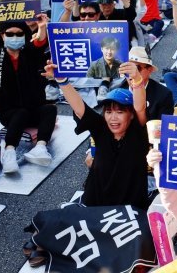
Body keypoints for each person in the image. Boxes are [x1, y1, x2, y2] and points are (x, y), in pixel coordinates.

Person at [45, 60, 149, 209]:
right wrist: (62, 80)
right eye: (108, 112)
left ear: (131, 115)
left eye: (120, 112)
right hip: (95, 205)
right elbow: (80, 107)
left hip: (131, 211)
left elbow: (140, 107)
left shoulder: (138, 132)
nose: (113, 118)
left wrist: (137, 80)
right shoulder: (101, 128)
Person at [0, 16, 56, 174]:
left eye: (19, 34)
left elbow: (39, 43)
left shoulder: (29, 54)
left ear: (25, 36)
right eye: (10, 34)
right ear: (2, 36)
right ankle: (9, 153)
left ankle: (40, 148)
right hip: (9, 112)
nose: (14, 37)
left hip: (33, 108)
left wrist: (42, 27)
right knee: (20, 113)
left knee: (50, 109)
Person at [126, 46, 172, 121]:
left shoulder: (164, 95)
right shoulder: (116, 89)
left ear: (149, 70)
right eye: (128, 68)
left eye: (137, 68)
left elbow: (163, 127)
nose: (132, 73)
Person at [86, 36, 122, 101]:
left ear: (117, 50)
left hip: (116, 98)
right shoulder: (94, 65)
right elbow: (87, 84)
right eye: (107, 48)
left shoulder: (121, 64)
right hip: (98, 98)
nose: (109, 52)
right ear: (102, 49)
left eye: (112, 49)